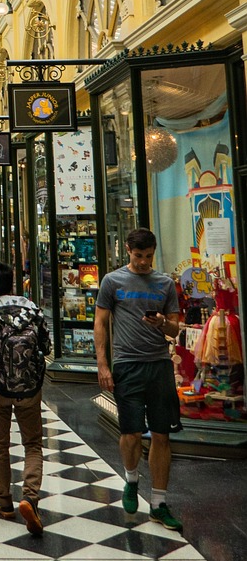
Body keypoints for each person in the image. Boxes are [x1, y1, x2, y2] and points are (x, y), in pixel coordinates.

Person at [94, 227, 183, 532]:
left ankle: (158, 503)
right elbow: (101, 322)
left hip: (158, 365)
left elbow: (174, 329)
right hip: (127, 365)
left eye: (148, 256)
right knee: (132, 433)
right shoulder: (112, 281)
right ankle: (132, 479)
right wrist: (103, 364)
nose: (144, 262)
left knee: (161, 435)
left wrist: (162, 324)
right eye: (138, 255)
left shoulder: (164, 284)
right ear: (128, 252)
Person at [0, 260, 51, 536]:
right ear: (13, 282)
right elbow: (46, 345)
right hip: (29, 387)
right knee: (32, 443)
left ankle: (4, 500)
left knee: (0, 443)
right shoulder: (32, 310)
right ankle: (29, 496)